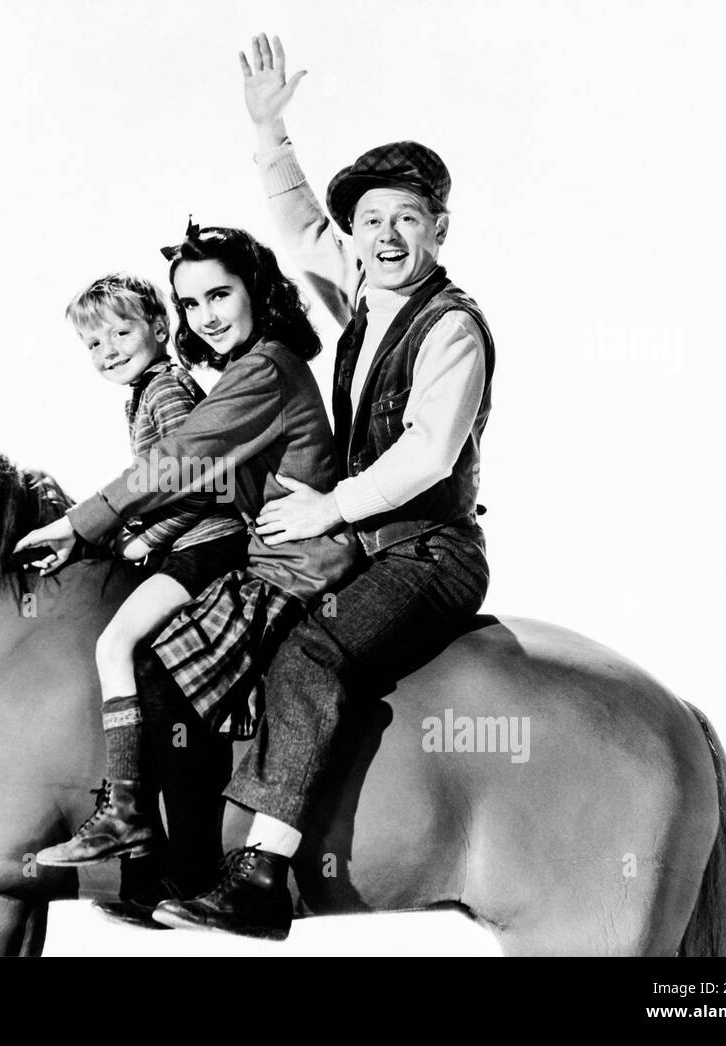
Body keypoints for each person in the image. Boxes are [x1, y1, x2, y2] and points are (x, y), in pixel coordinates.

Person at [150, 34, 495, 939]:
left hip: (429, 551)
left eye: (407, 219)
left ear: (439, 229)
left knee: (312, 655)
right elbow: (303, 227)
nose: (385, 236)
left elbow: (427, 455)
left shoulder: (451, 327)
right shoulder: (364, 296)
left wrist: (329, 507)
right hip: (362, 543)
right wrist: (270, 133)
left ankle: (262, 877)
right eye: (372, 220)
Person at [15, 223, 359, 929]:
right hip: (263, 553)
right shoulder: (239, 371)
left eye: (219, 294)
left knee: (168, 675)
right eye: (192, 301)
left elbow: (183, 462)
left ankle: (173, 855)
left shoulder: (260, 368)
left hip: (289, 567)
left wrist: (89, 524)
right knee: (151, 667)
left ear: (255, 291)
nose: (205, 315)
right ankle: (148, 841)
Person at [33, 273, 248, 868]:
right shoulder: (147, 391)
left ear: (160, 328)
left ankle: (127, 811)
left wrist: (139, 541)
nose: (109, 352)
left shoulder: (168, 392)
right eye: (94, 345)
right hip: (184, 544)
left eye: (121, 333)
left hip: (210, 546)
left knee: (114, 645)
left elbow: (199, 481)